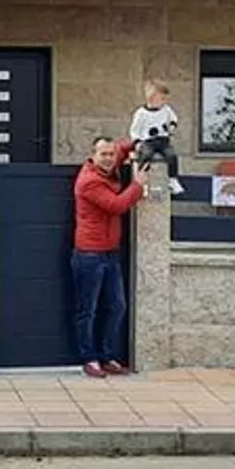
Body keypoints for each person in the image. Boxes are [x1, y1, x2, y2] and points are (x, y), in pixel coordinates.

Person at [72, 136, 147, 378]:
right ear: (92, 156)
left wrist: (136, 142)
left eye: (111, 154)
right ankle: (89, 359)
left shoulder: (110, 166)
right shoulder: (89, 181)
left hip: (110, 253)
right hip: (89, 254)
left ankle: (106, 356)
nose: (109, 158)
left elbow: (122, 149)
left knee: (117, 306)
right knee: (88, 310)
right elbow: (116, 205)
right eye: (103, 154)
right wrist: (138, 185)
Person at [129, 79, 185, 196]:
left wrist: (171, 126)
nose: (164, 102)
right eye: (162, 99)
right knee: (145, 156)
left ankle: (173, 179)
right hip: (148, 141)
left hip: (163, 140)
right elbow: (134, 130)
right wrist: (137, 142)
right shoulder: (141, 113)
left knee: (171, 155)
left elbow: (173, 119)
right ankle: (142, 183)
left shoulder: (166, 110)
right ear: (152, 97)